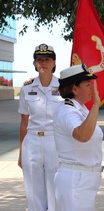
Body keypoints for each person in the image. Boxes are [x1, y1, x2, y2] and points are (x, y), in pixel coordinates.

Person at [18, 43, 62, 211]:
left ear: (54, 62)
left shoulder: (63, 88)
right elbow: (24, 122)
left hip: (54, 141)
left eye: (47, 59)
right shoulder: (27, 88)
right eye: (39, 60)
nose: (43, 63)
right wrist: (21, 151)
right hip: (32, 142)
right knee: (33, 192)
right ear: (35, 63)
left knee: (54, 190)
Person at [53, 63, 103, 211]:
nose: (92, 88)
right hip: (76, 179)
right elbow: (82, 135)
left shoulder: (80, 109)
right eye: (87, 84)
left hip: (84, 179)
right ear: (74, 89)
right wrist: (95, 106)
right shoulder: (67, 111)